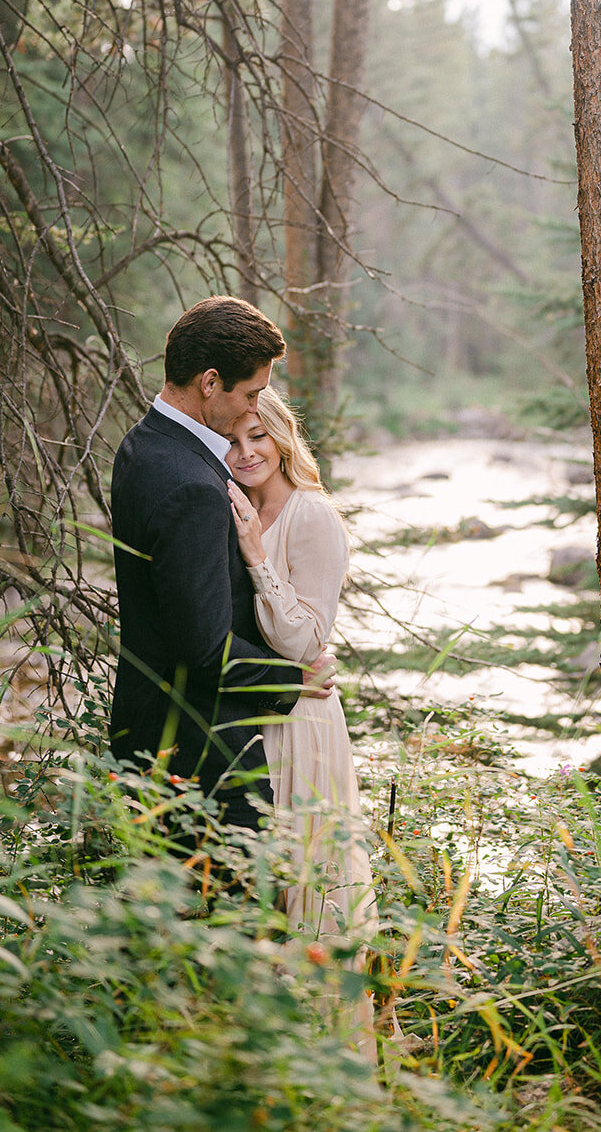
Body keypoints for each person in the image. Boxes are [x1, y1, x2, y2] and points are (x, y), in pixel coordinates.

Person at [108, 296, 335, 833]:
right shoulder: (192, 484)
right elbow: (205, 651)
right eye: (251, 392)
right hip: (202, 757)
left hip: (145, 733)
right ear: (211, 382)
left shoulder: (140, 446)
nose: (252, 407)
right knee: (228, 914)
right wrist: (293, 679)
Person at [225, 388, 376, 947]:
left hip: (303, 716)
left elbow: (306, 639)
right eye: (233, 441)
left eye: (257, 436)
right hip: (257, 707)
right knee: (269, 878)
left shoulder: (311, 513)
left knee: (308, 876)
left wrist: (258, 559)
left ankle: (326, 1020)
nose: (245, 452)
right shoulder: (238, 505)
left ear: (282, 437)